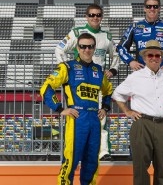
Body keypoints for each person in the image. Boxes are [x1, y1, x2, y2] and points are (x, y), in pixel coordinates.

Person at [117, 0, 163, 160]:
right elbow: (121, 47)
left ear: (159, 8)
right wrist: (131, 61)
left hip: (162, 75)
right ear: (144, 8)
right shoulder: (135, 27)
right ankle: (136, 150)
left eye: (155, 6)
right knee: (140, 113)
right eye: (149, 6)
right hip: (142, 76)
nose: (152, 9)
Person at [40, 33, 113, 184]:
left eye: (90, 46)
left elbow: (108, 91)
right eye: (83, 46)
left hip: (94, 120)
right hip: (76, 119)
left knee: (92, 161)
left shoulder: (99, 71)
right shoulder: (67, 67)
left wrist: (105, 108)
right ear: (77, 48)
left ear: (94, 48)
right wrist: (60, 109)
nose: (87, 50)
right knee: (71, 160)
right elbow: (46, 87)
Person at [55, 3, 118, 161]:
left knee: (100, 116)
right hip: (78, 82)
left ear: (102, 17)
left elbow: (116, 56)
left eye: (98, 15)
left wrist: (112, 70)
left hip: (97, 82)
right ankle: (75, 151)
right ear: (86, 17)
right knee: (77, 116)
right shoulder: (76, 32)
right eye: (92, 15)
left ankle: (103, 152)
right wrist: (66, 69)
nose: (95, 18)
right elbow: (59, 49)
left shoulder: (107, 36)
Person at [113, 40, 163, 185]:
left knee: (162, 167)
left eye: (157, 55)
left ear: (161, 57)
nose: (154, 58)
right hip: (142, 124)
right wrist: (127, 111)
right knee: (140, 168)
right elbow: (117, 94)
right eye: (150, 55)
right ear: (144, 57)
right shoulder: (135, 77)